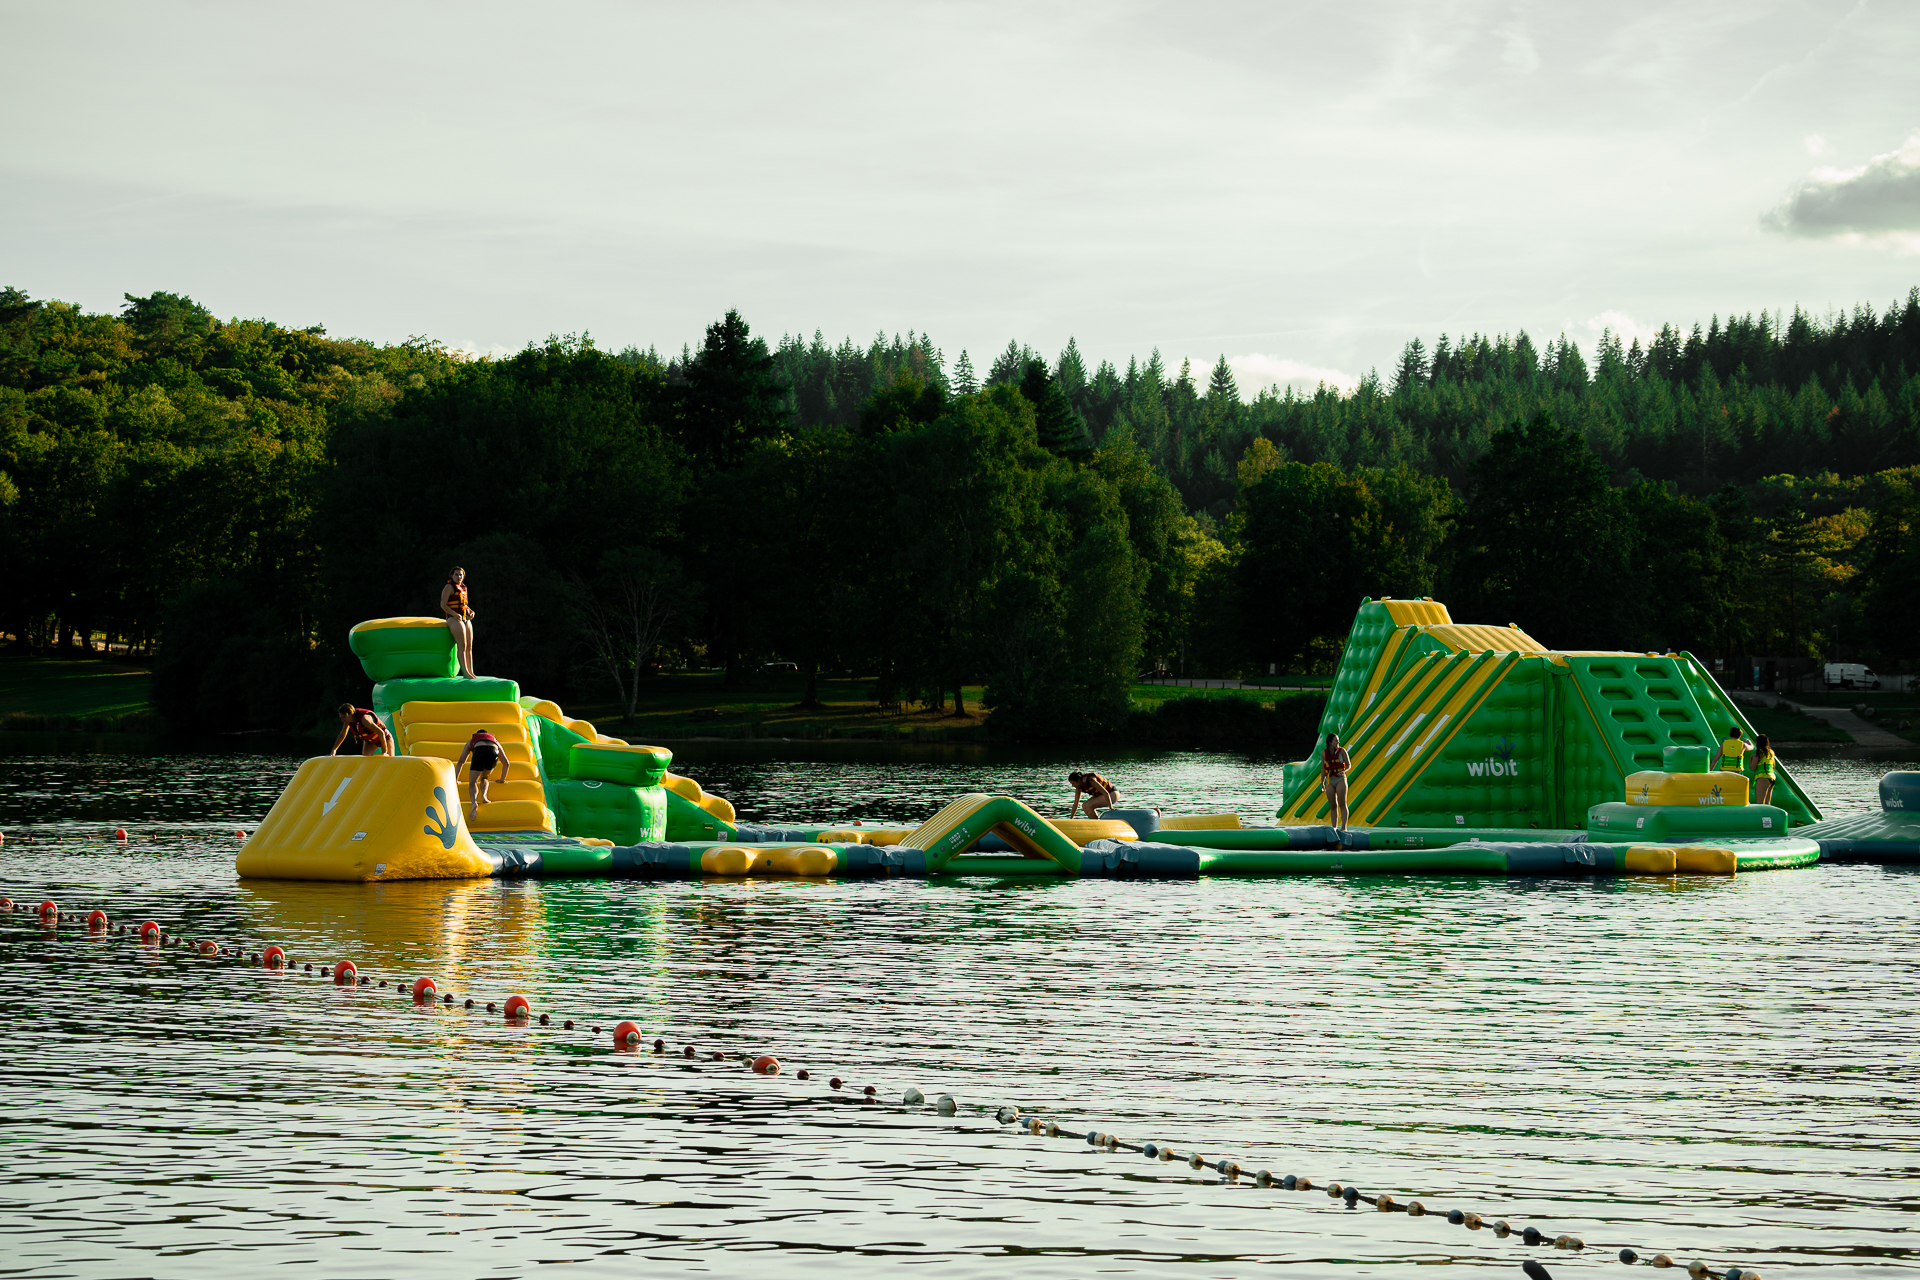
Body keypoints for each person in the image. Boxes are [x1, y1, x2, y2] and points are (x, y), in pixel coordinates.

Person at [453, 728, 509, 821]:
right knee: (484, 777)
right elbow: (506, 763)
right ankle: (484, 796)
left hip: (479, 750)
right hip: (493, 751)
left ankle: (474, 803)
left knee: (473, 782)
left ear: (477, 735)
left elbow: (461, 762)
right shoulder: (494, 741)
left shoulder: (472, 741)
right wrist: (502, 779)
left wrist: (455, 780)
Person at [439, 566, 476, 679]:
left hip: (464, 618)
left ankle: (471, 671)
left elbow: (464, 605)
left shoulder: (463, 588)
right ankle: (465, 672)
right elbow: (443, 604)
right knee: (462, 645)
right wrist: (454, 614)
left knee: (469, 646)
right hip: (453, 618)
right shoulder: (449, 587)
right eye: (456, 574)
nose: (458, 577)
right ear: (452, 575)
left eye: (460, 575)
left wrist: (471, 612)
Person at [330, 704, 394, 757]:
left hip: (385, 738)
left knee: (389, 759)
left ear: (351, 714)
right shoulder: (348, 722)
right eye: (341, 718)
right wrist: (334, 750)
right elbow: (342, 734)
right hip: (370, 741)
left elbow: (381, 733)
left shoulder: (365, 720)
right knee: (366, 758)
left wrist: (384, 751)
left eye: (344, 717)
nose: (342, 720)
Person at [1321, 731, 1351, 831]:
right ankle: (1334, 828)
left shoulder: (1342, 751)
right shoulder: (1324, 753)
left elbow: (1348, 765)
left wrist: (1343, 771)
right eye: (1335, 741)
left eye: (1338, 741)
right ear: (1330, 742)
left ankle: (1343, 827)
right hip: (1330, 780)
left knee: (1342, 803)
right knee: (1333, 805)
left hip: (1340, 779)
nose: (1337, 742)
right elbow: (1324, 769)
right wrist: (1322, 783)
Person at [1750, 734, 1776, 806]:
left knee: (1760, 804)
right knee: (1767, 804)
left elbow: (1752, 768)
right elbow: (1773, 766)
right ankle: (1768, 817)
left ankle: (1760, 817)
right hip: (1771, 778)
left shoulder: (1758, 753)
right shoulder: (1771, 752)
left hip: (1762, 778)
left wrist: (1750, 759)